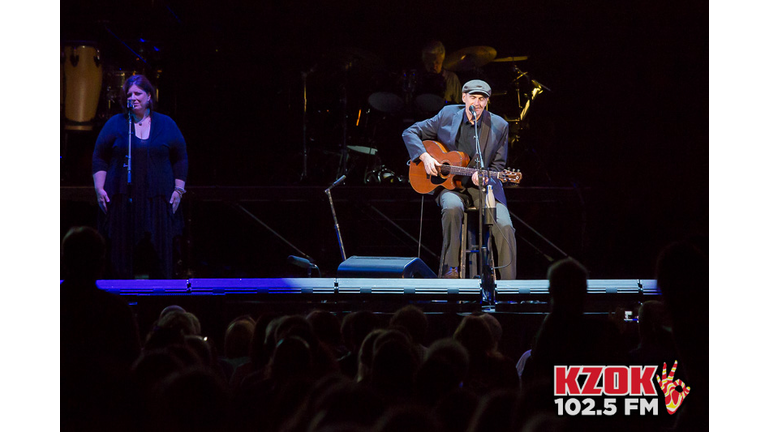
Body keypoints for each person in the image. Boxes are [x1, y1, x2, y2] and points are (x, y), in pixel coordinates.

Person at [403, 79, 517, 279]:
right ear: (464, 98)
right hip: (450, 188)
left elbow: (498, 167)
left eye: (482, 99)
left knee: (505, 225)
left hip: (483, 190)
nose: (478, 103)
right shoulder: (447, 115)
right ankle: (451, 269)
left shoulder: (499, 125)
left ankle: (509, 286)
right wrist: (425, 156)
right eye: (473, 97)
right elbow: (410, 131)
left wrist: (486, 179)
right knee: (451, 207)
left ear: (487, 101)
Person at [92, 74, 188, 279]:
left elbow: (180, 157)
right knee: (121, 255)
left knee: (160, 256)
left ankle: (161, 298)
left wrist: (179, 189)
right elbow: (100, 156)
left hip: (158, 198)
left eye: (138, 93)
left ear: (149, 96)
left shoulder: (166, 124)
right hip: (122, 198)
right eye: (129, 94)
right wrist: (99, 188)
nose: (133, 97)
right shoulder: (115, 124)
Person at [415, 41, 462, 105]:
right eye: (430, 63)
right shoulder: (417, 78)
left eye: (437, 63)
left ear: (442, 61)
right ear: (424, 61)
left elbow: (458, 104)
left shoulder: (451, 78)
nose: (434, 66)